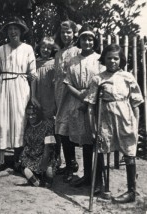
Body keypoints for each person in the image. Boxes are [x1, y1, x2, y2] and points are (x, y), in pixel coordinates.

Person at [85, 44, 144, 203]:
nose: (112, 61)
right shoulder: (98, 78)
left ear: (121, 60)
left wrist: (136, 125)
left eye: (116, 58)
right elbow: (91, 106)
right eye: (109, 58)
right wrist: (93, 129)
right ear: (104, 59)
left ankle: (131, 191)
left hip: (125, 118)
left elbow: (136, 104)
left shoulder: (127, 77)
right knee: (101, 147)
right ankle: (99, 184)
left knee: (129, 151)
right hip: (106, 119)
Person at [0, 16, 36, 175]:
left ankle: (18, 160)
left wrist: (33, 95)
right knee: (1, 123)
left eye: (16, 29)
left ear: (21, 31)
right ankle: (0, 161)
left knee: (19, 122)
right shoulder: (2, 49)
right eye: (10, 29)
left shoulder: (28, 49)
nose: (13, 32)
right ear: (7, 32)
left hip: (21, 87)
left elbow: (32, 74)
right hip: (4, 87)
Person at [63, 24, 105, 192]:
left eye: (90, 39)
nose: (87, 42)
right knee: (86, 142)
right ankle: (87, 176)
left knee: (97, 141)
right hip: (78, 103)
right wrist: (80, 96)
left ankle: (98, 180)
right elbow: (68, 83)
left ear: (93, 42)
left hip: (94, 104)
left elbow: (102, 81)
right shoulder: (72, 60)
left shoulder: (99, 59)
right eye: (84, 39)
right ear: (79, 40)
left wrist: (88, 98)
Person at [54, 20, 81, 183]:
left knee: (70, 130)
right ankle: (68, 163)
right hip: (59, 94)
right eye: (63, 32)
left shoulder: (77, 52)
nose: (66, 35)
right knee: (62, 131)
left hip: (71, 95)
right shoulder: (58, 53)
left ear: (74, 34)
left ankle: (72, 163)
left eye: (69, 32)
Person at [32, 36, 59, 167]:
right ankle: (38, 156)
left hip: (50, 98)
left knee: (50, 128)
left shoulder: (54, 63)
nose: (46, 50)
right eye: (43, 47)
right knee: (38, 126)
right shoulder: (34, 62)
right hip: (37, 97)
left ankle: (53, 158)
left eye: (49, 48)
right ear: (39, 48)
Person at [19, 103, 56, 188]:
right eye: (28, 114)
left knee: (48, 169)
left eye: (33, 114)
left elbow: (48, 147)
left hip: (44, 155)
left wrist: (44, 162)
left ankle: (46, 177)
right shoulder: (28, 125)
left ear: (38, 114)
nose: (30, 117)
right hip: (31, 156)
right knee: (25, 168)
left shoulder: (47, 125)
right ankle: (36, 180)